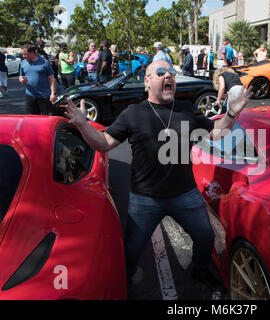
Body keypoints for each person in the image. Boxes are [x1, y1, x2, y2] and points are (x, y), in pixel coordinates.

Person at [63, 59, 253, 292]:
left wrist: (232, 112)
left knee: (205, 238)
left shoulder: (186, 109)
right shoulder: (132, 113)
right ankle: (127, 281)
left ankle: (200, 271)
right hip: (145, 199)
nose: (169, 76)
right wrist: (83, 125)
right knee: (132, 249)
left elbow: (215, 133)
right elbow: (103, 144)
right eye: (161, 72)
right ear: (147, 81)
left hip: (186, 195)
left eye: (172, 73)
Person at [19, 44, 56, 115]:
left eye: (25, 54)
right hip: (30, 95)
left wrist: (53, 93)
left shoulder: (45, 63)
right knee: (32, 119)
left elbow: (51, 78)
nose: (23, 56)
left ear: (32, 53)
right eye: (22, 54)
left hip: (44, 96)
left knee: (45, 119)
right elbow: (21, 76)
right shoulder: (23, 63)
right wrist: (21, 80)